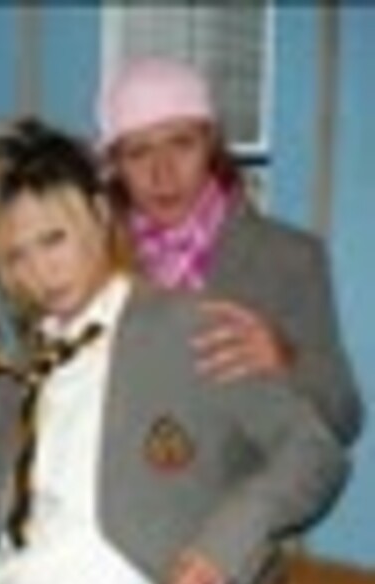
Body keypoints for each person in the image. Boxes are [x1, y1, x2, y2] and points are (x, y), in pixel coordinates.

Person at [0, 118, 345, 584]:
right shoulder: (27, 358)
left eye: (54, 239)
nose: (40, 273)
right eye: (16, 255)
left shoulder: (188, 328)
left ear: (101, 215)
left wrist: (224, 543)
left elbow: (314, 453)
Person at [97, 56, 362, 447]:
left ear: (212, 145)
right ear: (115, 165)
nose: (162, 172)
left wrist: (285, 361)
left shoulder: (289, 258)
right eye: (138, 153)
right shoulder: (93, 264)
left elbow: (343, 418)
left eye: (181, 143)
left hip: (254, 486)